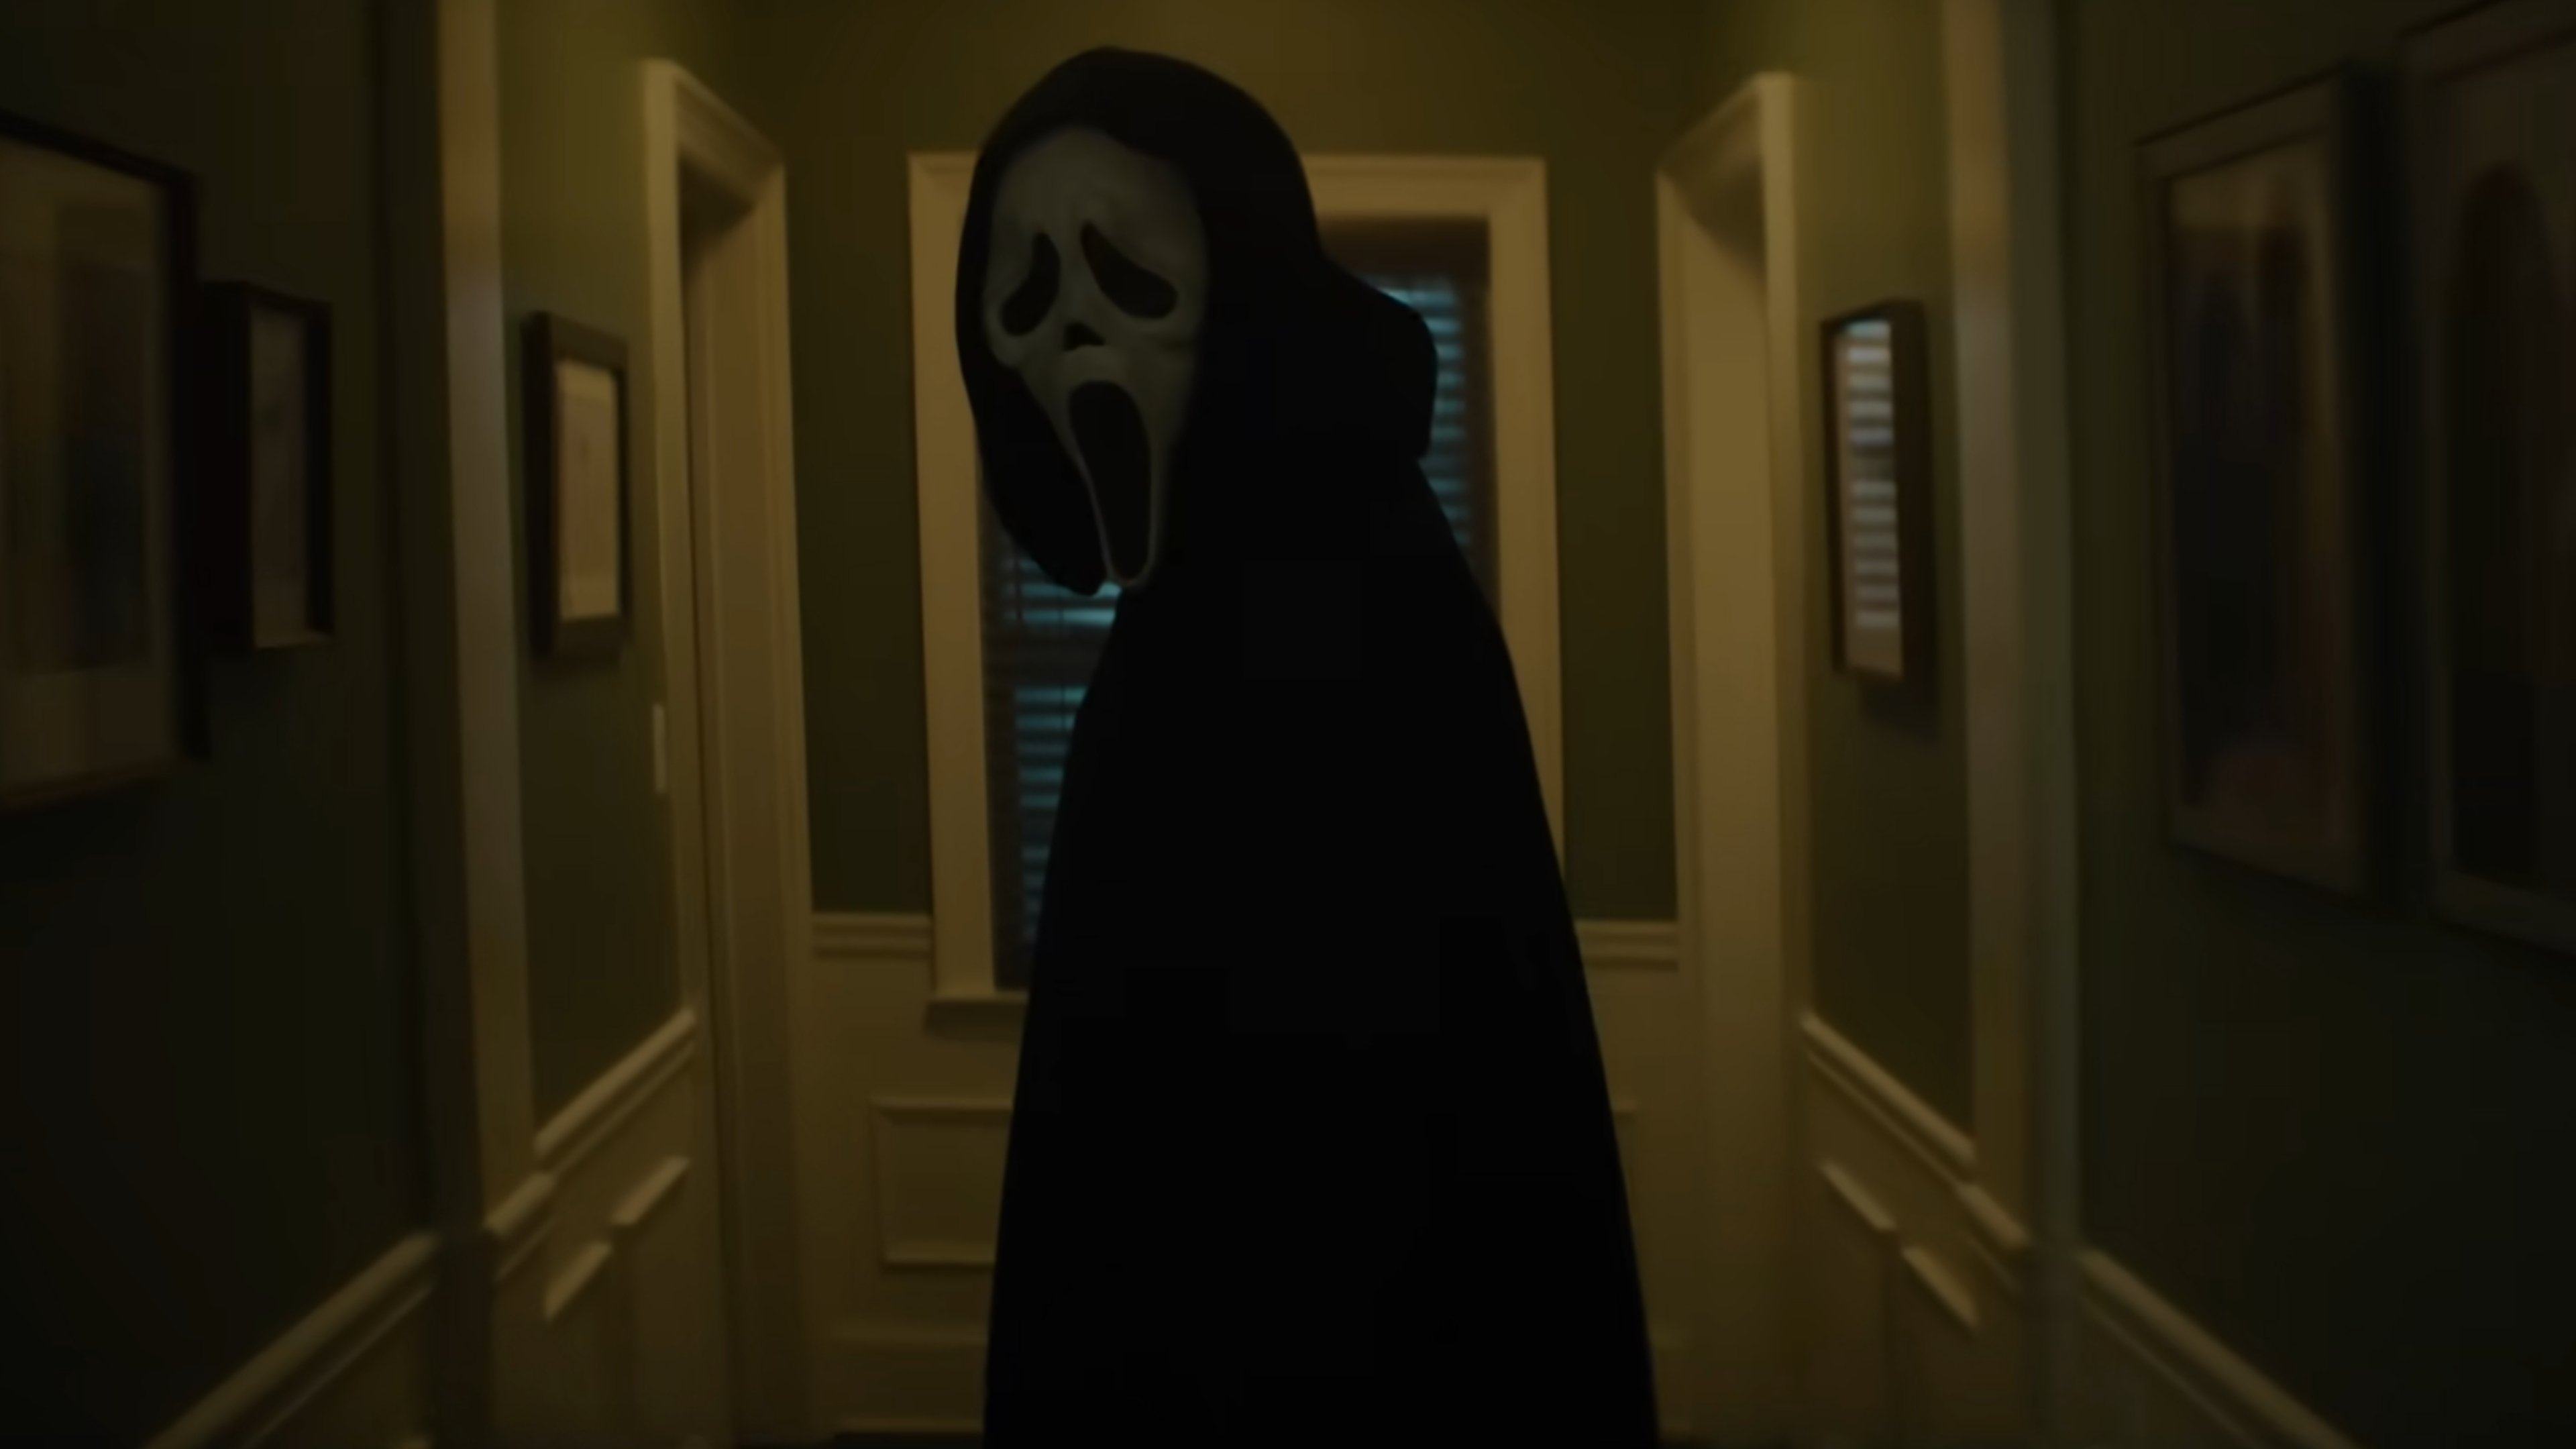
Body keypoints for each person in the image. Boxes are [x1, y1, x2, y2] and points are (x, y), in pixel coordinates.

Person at [953, 47, 1658, 1445]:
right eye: (1026, 295)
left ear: (1246, 290)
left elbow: (1394, 1140)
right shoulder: (1189, 622)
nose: (1078, 338)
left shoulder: (1357, 611)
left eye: (1129, 276)